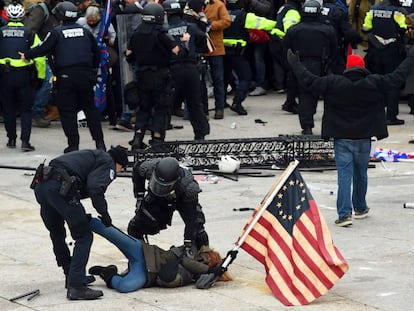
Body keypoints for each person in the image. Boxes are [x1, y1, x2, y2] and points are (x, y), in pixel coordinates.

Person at [286, 46, 414, 227]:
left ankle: (344, 215)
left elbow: (309, 80)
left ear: (347, 69)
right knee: (361, 174)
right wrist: (410, 58)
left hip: (342, 138)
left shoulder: (333, 83)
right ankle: (360, 208)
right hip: (364, 139)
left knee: (344, 176)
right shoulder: (374, 82)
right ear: (363, 68)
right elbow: (397, 77)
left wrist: (296, 64)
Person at [32, 145, 129, 300]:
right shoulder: (108, 162)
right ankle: (76, 286)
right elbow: (95, 188)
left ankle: (70, 274)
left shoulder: (92, 155)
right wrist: (104, 214)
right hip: (60, 188)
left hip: (42, 187)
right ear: (119, 164)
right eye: (121, 169)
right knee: (83, 236)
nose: (118, 172)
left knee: (57, 233)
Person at [20, 1, 106, 153]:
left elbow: (43, 49)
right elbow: (96, 54)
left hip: (66, 77)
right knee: (90, 110)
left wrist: (26, 55)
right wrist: (92, 71)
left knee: (67, 111)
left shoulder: (57, 32)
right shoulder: (85, 31)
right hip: (86, 76)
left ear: (60, 15)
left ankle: (73, 145)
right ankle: (100, 144)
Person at [88, 217, 232, 293]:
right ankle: (83, 217)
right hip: (146, 253)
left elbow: (202, 284)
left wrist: (220, 269)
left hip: (147, 273)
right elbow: (186, 261)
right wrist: (210, 269)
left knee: (124, 286)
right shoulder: (192, 251)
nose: (206, 261)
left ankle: (108, 273)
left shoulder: (195, 277)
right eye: (207, 259)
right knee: (113, 235)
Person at [126, 3, 184, 149]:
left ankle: (138, 138)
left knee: (143, 108)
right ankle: (157, 139)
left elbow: (128, 55)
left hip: (142, 76)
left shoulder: (136, 33)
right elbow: (177, 51)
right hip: (160, 75)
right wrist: (184, 43)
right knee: (160, 108)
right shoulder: (161, 34)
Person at [127, 157, 209, 256]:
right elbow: (136, 170)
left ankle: (205, 259)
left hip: (182, 199)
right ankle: (139, 259)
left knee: (198, 231)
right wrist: (139, 196)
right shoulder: (149, 167)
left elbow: (191, 217)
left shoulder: (189, 188)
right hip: (156, 197)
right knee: (135, 227)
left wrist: (188, 242)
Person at [283, 0, 337, 135]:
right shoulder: (328, 29)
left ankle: (307, 127)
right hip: (321, 66)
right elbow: (335, 50)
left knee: (305, 96)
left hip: (299, 65)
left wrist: (291, 67)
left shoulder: (293, 30)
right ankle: (329, 127)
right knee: (329, 96)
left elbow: (285, 49)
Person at [0, 1, 46, 151]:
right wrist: (40, 77)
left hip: (4, 76)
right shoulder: (30, 33)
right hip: (24, 76)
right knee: (26, 109)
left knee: (8, 109)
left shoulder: (0, 32)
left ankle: (11, 139)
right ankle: (25, 142)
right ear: (22, 16)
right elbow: (40, 57)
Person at [163, 0, 210, 141]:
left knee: (165, 104)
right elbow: (203, 39)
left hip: (172, 70)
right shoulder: (190, 27)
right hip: (191, 69)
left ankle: (159, 136)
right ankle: (200, 133)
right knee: (195, 103)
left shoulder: (164, 30)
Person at [223, 0, 276, 116]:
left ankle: (220, 103)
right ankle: (237, 103)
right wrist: (277, 25)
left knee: (223, 78)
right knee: (246, 77)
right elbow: (263, 23)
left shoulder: (222, 14)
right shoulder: (243, 15)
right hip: (236, 53)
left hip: (222, 52)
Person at [362, 0, 408, 125]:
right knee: (393, 83)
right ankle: (391, 117)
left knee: (375, 82)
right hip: (392, 51)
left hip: (374, 51)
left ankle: (374, 115)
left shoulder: (373, 9)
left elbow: (366, 28)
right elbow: (404, 28)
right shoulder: (397, 11)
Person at [25, 0, 62, 128]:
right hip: (40, 54)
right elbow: (30, 31)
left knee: (52, 83)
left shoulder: (56, 10)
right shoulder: (41, 10)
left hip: (52, 53)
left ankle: (49, 108)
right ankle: (37, 112)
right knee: (47, 82)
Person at [269, 0, 302, 114]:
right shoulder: (292, 11)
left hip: (275, 41)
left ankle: (289, 102)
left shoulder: (284, 7)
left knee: (291, 72)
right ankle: (290, 103)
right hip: (281, 43)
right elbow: (290, 30)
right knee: (293, 73)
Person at [203, 0, 231, 120]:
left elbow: (226, 21)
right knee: (201, 82)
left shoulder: (218, 4)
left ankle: (219, 108)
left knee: (218, 80)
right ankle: (203, 109)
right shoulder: (193, 4)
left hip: (216, 49)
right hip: (201, 48)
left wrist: (211, 25)